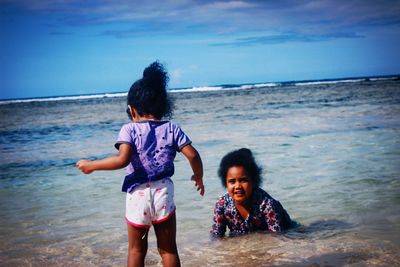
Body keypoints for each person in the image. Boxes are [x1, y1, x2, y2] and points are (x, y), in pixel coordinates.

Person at [76, 61, 204, 267]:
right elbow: (193, 155)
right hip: (163, 191)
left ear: (131, 109)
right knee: (168, 249)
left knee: (136, 250)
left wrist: (92, 165)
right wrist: (198, 176)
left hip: (137, 195)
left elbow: (122, 159)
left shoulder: (129, 130)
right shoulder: (172, 128)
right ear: (163, 107)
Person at [210, 148, 292, 238]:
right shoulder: (222, 204)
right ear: (225, 183)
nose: (238, 186)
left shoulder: (267, 205)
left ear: (253, 181)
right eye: (232, 181)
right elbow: (216, 236)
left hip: (289, 232)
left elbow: (278, 239)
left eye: (243, 180)